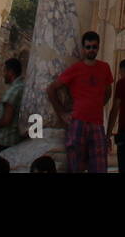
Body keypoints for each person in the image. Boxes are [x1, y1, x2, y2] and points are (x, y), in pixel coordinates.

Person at [48, 30, 114, 173]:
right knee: (75, 166)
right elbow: (51, 89)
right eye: (88, 47)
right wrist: (62, 113)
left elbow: (108, 92)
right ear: (83, 48)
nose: (91, 50)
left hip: (97, 123)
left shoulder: (104, 68)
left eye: (94, 47)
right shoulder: (75, 69)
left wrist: (96, 104)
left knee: (99, 167)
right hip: (77, 122)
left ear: (98, 47)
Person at [0, 58, 24, 169]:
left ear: (11, 72)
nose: (3, 74)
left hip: (4, 140)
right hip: (15, 141)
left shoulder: (14, 90)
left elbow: (7, 119)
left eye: (4, 71)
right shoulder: (23, 87)